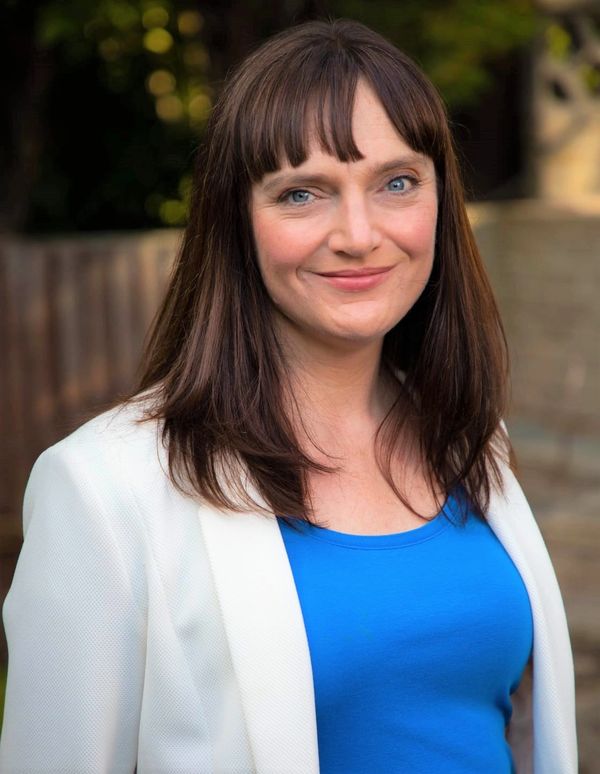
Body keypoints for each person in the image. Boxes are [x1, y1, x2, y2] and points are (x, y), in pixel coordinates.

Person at [0, 18, 576, 774]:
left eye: (397, 182)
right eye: (302, 193)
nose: (360, 234)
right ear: (236, 223)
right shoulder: (106, 488)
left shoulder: (470, 438)